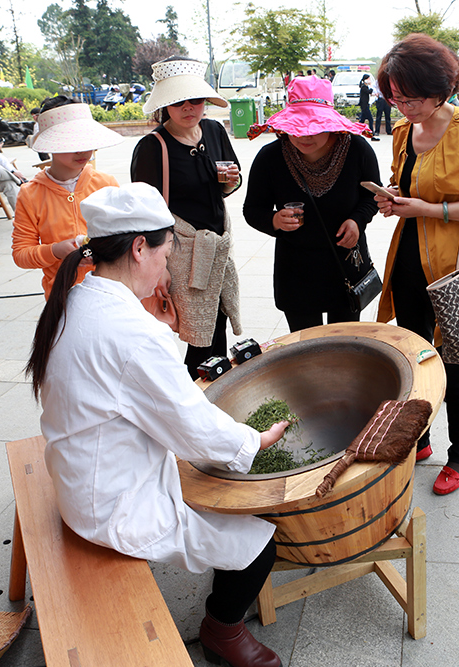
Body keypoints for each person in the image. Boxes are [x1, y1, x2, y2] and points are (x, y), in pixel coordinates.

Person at [27, 182, 289, 667]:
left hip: (81, 472)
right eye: (166, 254)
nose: (168, 270)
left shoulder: (78, 298)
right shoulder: (132, 333)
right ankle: (222, 632)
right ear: (138, 248)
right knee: (260, 545)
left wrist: (165, 332)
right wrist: (255, 441)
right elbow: (195, 430)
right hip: (111, 504)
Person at [373, 34, 459, 495]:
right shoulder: (402, 131)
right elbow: (402, 183)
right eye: (394, 97)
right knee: (415, 357)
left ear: (439, 90)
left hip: (455, 267)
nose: (402, 107)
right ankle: (421, 438)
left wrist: (425, 209)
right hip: (409, 259)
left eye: (410, 98)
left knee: (455, 364)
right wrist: (392, 199)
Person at [130, 56, 243, 379]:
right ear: (165, 105)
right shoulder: (153, 146)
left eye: (195, 99)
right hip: (180, 252)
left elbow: (231, 182)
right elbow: (145, 212)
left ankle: (214, 388)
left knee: (217, 322)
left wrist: (230, 181)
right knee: (197, 334)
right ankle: (194, 392)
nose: (188, 108)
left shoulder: (214, 130)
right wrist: (159, 267)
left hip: (216, 245)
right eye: (178, 101)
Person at [244, 76, 380, 332]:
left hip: (345, 264)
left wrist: (357, 221)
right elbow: (252, 209)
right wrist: (274, 220)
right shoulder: (270, 157)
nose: (304, 136)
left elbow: (372, 196)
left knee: (343, 344)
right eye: (296, 127)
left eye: (315, 128)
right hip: (296, 270)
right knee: (306, 347)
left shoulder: (357, 150)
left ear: (331, 124)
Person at [11, 97, 122, 298]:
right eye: (70, 142)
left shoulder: (106, 184)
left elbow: (125, 236)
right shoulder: (31, 194)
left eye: (86, 140)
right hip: (62, 294)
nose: (82, 150)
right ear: (50, 144)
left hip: (110, 290)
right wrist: (55, 251)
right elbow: (21, 254)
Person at [358, 74, 380, 141]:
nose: (369, 80)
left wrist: (374, 94)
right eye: (368, 79)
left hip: (365, 105)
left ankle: (357, 131)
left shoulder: (365, 87)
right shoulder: (363, 87)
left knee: (362, 121)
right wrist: (371, 85)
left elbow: (368, 93)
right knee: (370, 119)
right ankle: (372, 134)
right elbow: (369, 91)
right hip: (364, 106)